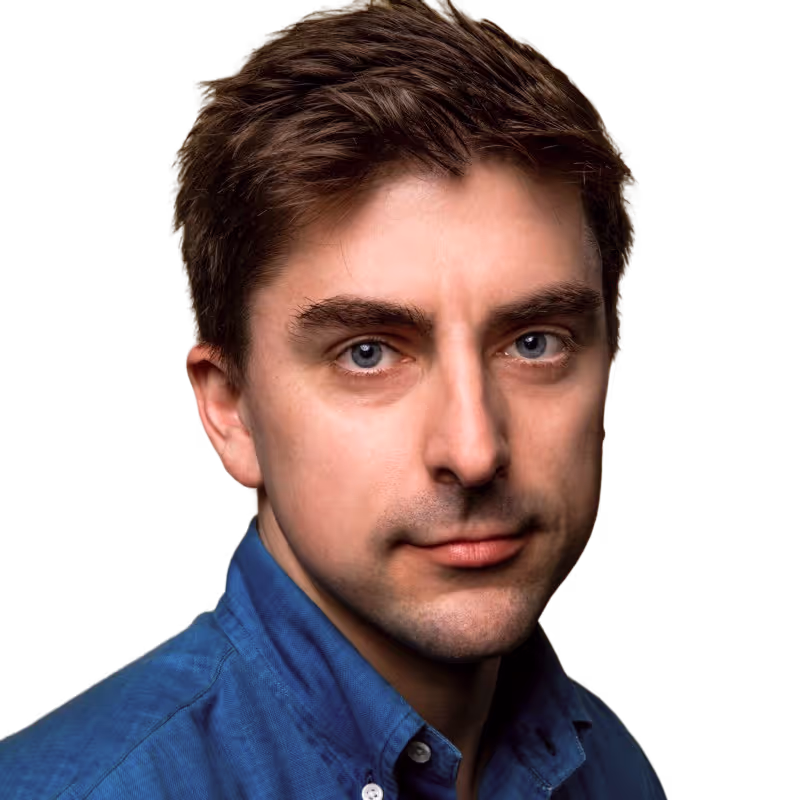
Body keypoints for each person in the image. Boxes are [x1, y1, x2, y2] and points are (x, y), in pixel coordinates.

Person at [1, 1, 664, 797]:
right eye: (368, 353)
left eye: (535, 342)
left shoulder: (616, 766)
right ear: (231, 410)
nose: (474, 450)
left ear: (611, 351)